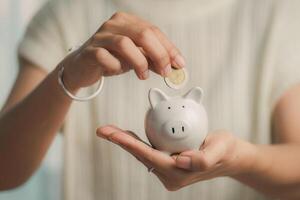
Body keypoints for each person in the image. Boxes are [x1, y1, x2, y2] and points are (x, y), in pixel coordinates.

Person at [1, 0, 300, 199]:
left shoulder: (276, 13)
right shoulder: (68, 11)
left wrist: (240, 160)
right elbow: (5, 171)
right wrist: (70, 75)